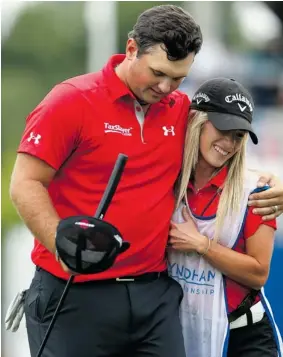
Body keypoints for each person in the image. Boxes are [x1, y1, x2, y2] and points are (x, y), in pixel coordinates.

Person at [8, 4, 283, 357]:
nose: (166, 86)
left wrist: (276, 182)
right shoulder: (71, 100)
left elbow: (225, 150)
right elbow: (26, 183)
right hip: (73, 292)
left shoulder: (181, 109)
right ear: (132, 48)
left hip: (153, 297)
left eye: (179, 78)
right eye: (158, 73)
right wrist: (62, 245)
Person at [168, 77, 283, 357]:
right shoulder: (168, 178)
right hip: (180, 332)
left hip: (245, 339)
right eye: (223, 128)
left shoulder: (255, 192)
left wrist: (202, 246)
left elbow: (258, 273)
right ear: (197, 120)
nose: (229, 143)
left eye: (238, 135)